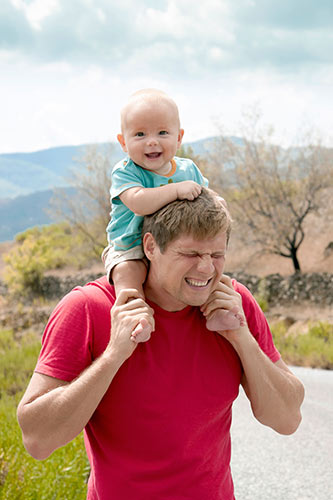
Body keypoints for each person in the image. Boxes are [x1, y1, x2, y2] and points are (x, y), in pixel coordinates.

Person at [17, 188, 304, 500]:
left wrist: (241, 336)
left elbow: (287, 419)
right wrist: (114, 354)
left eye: (217, 255)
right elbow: (37, 439)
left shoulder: (235, 304)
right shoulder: (88, 308)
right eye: (191, 254)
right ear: (150, 246)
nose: (206, 268)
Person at [102, 88, 244, 342]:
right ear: (123, 142)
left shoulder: (187, 168)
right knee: (128, 276)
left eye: (162, 132)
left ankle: (220, 313)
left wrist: (217, 202)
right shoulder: (126, 172)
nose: (152, 141)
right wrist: (176, 190)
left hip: (174, 248)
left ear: (178, 138)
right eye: (140, 134)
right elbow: (138, 202)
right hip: (130, 245)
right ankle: (136, 320)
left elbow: (204, 194)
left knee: (208, 274)